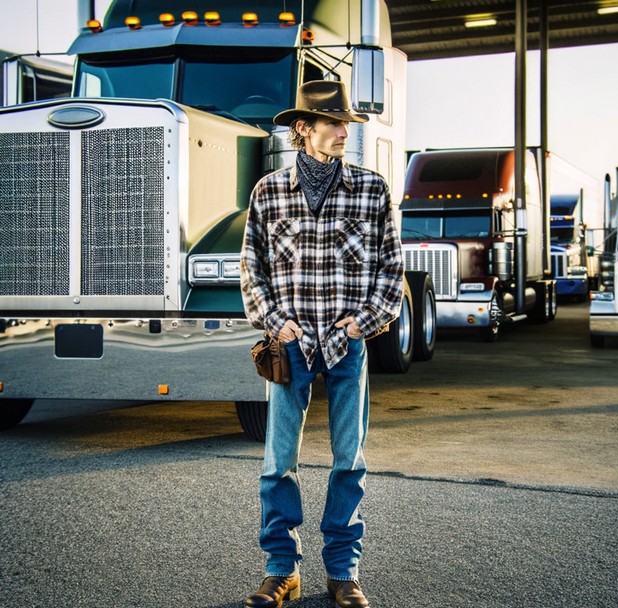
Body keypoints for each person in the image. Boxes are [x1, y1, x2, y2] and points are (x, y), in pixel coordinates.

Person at [240, 80, 404, 608]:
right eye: (332, 122)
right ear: (302, 129)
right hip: (289, 347)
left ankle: (343, 573)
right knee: (277, 463)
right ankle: (281, 572)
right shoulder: (268, 192)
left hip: (345, 345)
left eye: (345, 123)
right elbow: (252, 269)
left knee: (348, 461)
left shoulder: (371, 190)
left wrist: (365, 322)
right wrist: (274, 321)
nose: (342, 131)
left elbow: (390, 270)